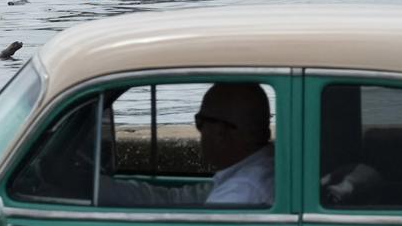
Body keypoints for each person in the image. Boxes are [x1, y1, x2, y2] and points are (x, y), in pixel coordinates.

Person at [99, 83, 275, 208]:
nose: (199, 131)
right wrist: (105, 189)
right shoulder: (258, 171)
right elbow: (181, 198)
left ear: (220, 131)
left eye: (200, 122)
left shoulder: (240, 194)